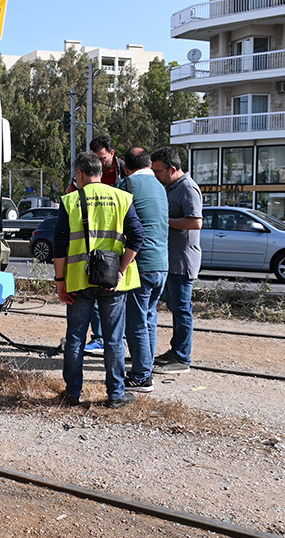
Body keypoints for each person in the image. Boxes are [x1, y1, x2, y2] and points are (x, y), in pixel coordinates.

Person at [54, 152, 144, 408]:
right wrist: (121, 270)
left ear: (80, 174)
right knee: (114, 339)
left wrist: (60, 280)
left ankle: (72, 393)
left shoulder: (70, 201)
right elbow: (138, 236)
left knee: (75, 337)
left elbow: (59, 245)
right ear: (102, 173)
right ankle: (116, 395)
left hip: (79, 281)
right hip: (113, 283)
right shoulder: (122, 198)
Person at [117, 148, 169, 392]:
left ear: (126, 167)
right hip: (162, 264)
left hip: (140, 264)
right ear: (149, 163)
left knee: (136, 322)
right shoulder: (161, 186)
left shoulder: (126, 184)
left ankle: (141, 376)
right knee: (149, 318)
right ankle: (145, 369)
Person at [150, 147, 203, 375]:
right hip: (170, 260)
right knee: (174, 307)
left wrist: (164, 220)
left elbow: (195, 222)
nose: (156, 176)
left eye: (159, 171)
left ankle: (182, 358)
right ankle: (175, 350)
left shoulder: (188, 188)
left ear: (172, 169)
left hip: (182, 261)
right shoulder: (171, 186)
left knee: (182, 309)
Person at [84, 135, 130, 354]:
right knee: (94, 288)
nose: (99, 163)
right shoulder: (88, 169)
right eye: (96, 159)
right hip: (93, 240)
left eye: (102, 158)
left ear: (111, 154)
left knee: (116, 295)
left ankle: (118, 340)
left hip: (115, 242)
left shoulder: (125, 172)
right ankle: (100, 337)